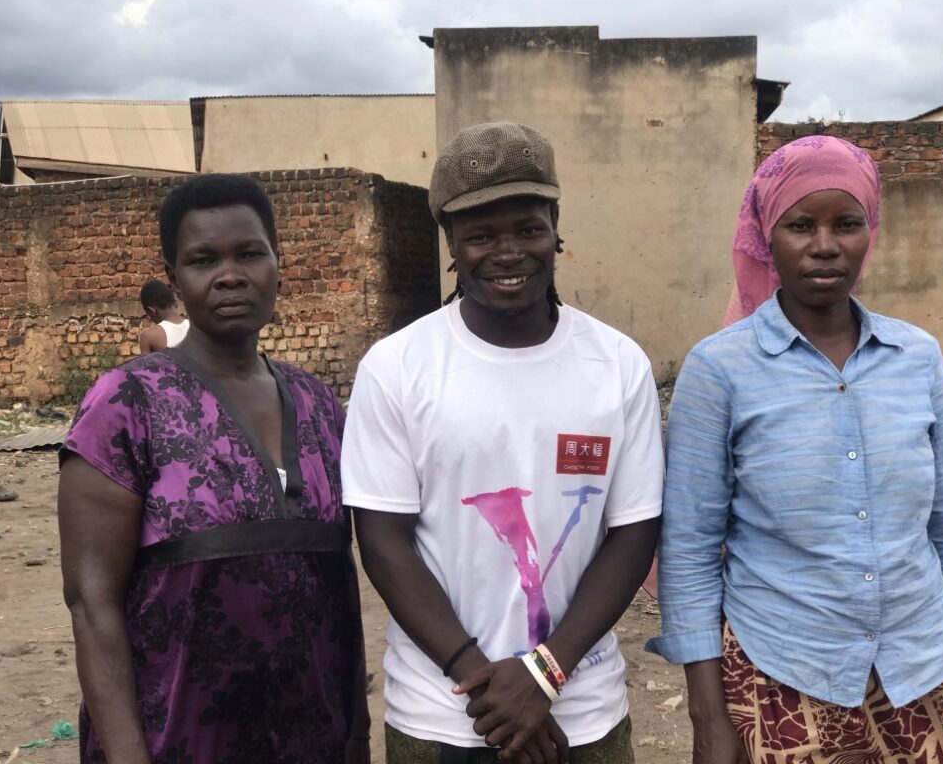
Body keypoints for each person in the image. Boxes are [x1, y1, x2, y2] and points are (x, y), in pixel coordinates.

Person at [648, 135, 943, 763]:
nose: (825, 245)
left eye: (847, 223)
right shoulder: (719, 370)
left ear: (871, 230)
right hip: (785, 681)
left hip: (928, 672)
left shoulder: (917, 357)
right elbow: (690, 552)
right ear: (766, 234)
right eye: (801, 224)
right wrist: (709, 719)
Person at [341, 121, 665, 764]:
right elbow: (381, 538)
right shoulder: (398, 366)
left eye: (527, 228)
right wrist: (482, 681)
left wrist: (546, 672)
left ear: (555, 226)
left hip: (584, 713)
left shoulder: (617, 365)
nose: (508, 252)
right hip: (441, 715)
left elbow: (633, 532)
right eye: (481, 235)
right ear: (451, 244)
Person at [58, 174, 370, 764]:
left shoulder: (318, 403)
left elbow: (339, 581)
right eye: (203, 260)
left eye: (250, 253)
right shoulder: (125, 402)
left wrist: (355, 734)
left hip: (314, 737)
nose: (230, 274)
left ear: (279, 263)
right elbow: (91, 600)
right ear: (175, 278)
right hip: (174, 740)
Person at [137, 278, 189, 353]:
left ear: (152, 311)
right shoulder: (195, 328)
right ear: (175, 303)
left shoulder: (148, 336)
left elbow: (146, 365)